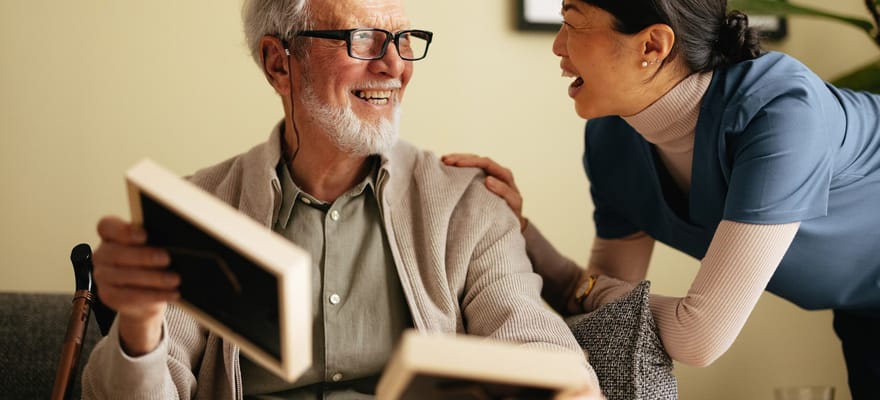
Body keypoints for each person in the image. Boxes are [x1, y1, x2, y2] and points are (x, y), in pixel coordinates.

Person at [79, 0, 604, 399]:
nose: (393, 65)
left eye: (402, 40)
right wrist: (139, 325)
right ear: (278, 63)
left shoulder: (467, 205)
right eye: (362, 40)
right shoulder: (202, 208)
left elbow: (545, 352)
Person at [443, 0, 880, 398]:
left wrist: (592, 291)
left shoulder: (780, 112)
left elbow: (699, 336)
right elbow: (603, 318)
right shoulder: (613, 136)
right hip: (861, 311)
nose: (558, 47)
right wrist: (518, 228)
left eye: (572, 23)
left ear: (652, 45)